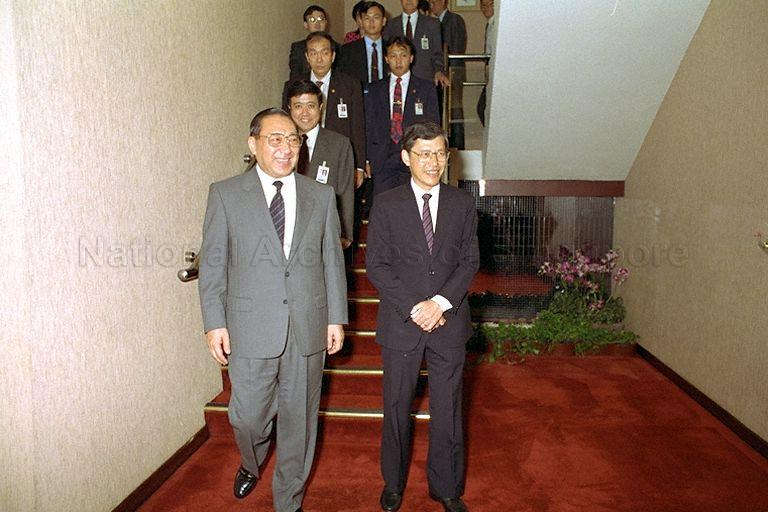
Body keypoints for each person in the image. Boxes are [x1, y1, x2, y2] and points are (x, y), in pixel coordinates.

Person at [198, 108, 347, 512]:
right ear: (254, 144)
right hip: (248, 326)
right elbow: (212, 263)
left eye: (293, 140)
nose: (286, 148)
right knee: (247, 418)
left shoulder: (320, 195)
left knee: (300, 421)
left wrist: (336, 316)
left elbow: (332, 259)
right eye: (275, 139)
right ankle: (251, 460)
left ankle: (289, 500)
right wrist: (214, 323)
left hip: (307, 325)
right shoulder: (225, 194)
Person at [366, 122, 479, 512]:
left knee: (448, 408)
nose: (432, 162)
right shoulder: (387, 203)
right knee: (397, 407)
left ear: (448, 157)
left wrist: (440, 303)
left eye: (438, 153)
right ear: (406, 158)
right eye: (423, 153)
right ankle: (393, 482)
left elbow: (469, 261)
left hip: (449, 322)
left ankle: (447, 487)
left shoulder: (463, 204)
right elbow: (376, 266)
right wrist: (417, 306)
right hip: (402, 323)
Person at [282, 31, 367, 189]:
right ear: (307, 57)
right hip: (302, 154)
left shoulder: (350, 85)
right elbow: (286, 124)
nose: (319, 59)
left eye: (324, 53)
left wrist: (359, 166)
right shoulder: (292, 85)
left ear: (333, 56)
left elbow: (358, 127)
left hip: (337, 155)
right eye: (313, 53)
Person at [286, 79, 355, 249]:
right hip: (287, 231)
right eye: (298, 106)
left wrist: (345, 233)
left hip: (325, 232)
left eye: (310, 106)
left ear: (321, 107)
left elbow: (345, 191)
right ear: (289, 108)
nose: (304, 113)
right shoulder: (280, 144)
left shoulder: (339, 144)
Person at [365, 36, 439, 195]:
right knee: (384, 205)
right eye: (393, 56)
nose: (398, 61)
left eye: (403, 55)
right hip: (382, 158)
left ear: (411, 58)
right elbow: (368, 126)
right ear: (386, 59)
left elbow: (433, 126)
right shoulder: (374, 89)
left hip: (414, 155)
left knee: (413, 205)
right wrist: (366, 159)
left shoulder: (426, 88)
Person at [382, 0, 449, 87]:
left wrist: (439, 71)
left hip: (424, 79)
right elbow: (386, 52)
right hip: (398, 80)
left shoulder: (432, 24)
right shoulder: (391, 24)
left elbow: (437, 53)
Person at [429, 0, 467, 148]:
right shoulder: (432, 22)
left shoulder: (455, 20)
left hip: (453, 73)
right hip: (438, 76)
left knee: (454, 112)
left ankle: (457, 146)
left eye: (435, 1)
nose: (432, 5)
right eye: (430, 2)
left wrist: (446, 70)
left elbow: (457, 48)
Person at [337, 1, 389, 87]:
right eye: (367, 18)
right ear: (361, 21)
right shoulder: (347, 51)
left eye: (376, 17)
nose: (371, 22)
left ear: (383, 21)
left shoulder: (391, 49)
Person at [289, 5, 337, 78]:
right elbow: (295, 76)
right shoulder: (298, 48)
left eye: (320, 19)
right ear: (306, 25)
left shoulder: (338, 47)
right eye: (312, 20)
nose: (317, 24)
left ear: (326, 22)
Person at [476, 0, 494, 126]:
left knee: (482, 107)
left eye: (490, 4)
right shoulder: (490, 24)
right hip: (491, 74)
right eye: (483, 5)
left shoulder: (498, 25)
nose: (486, 8)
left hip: (497, 74)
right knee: (483, 108)